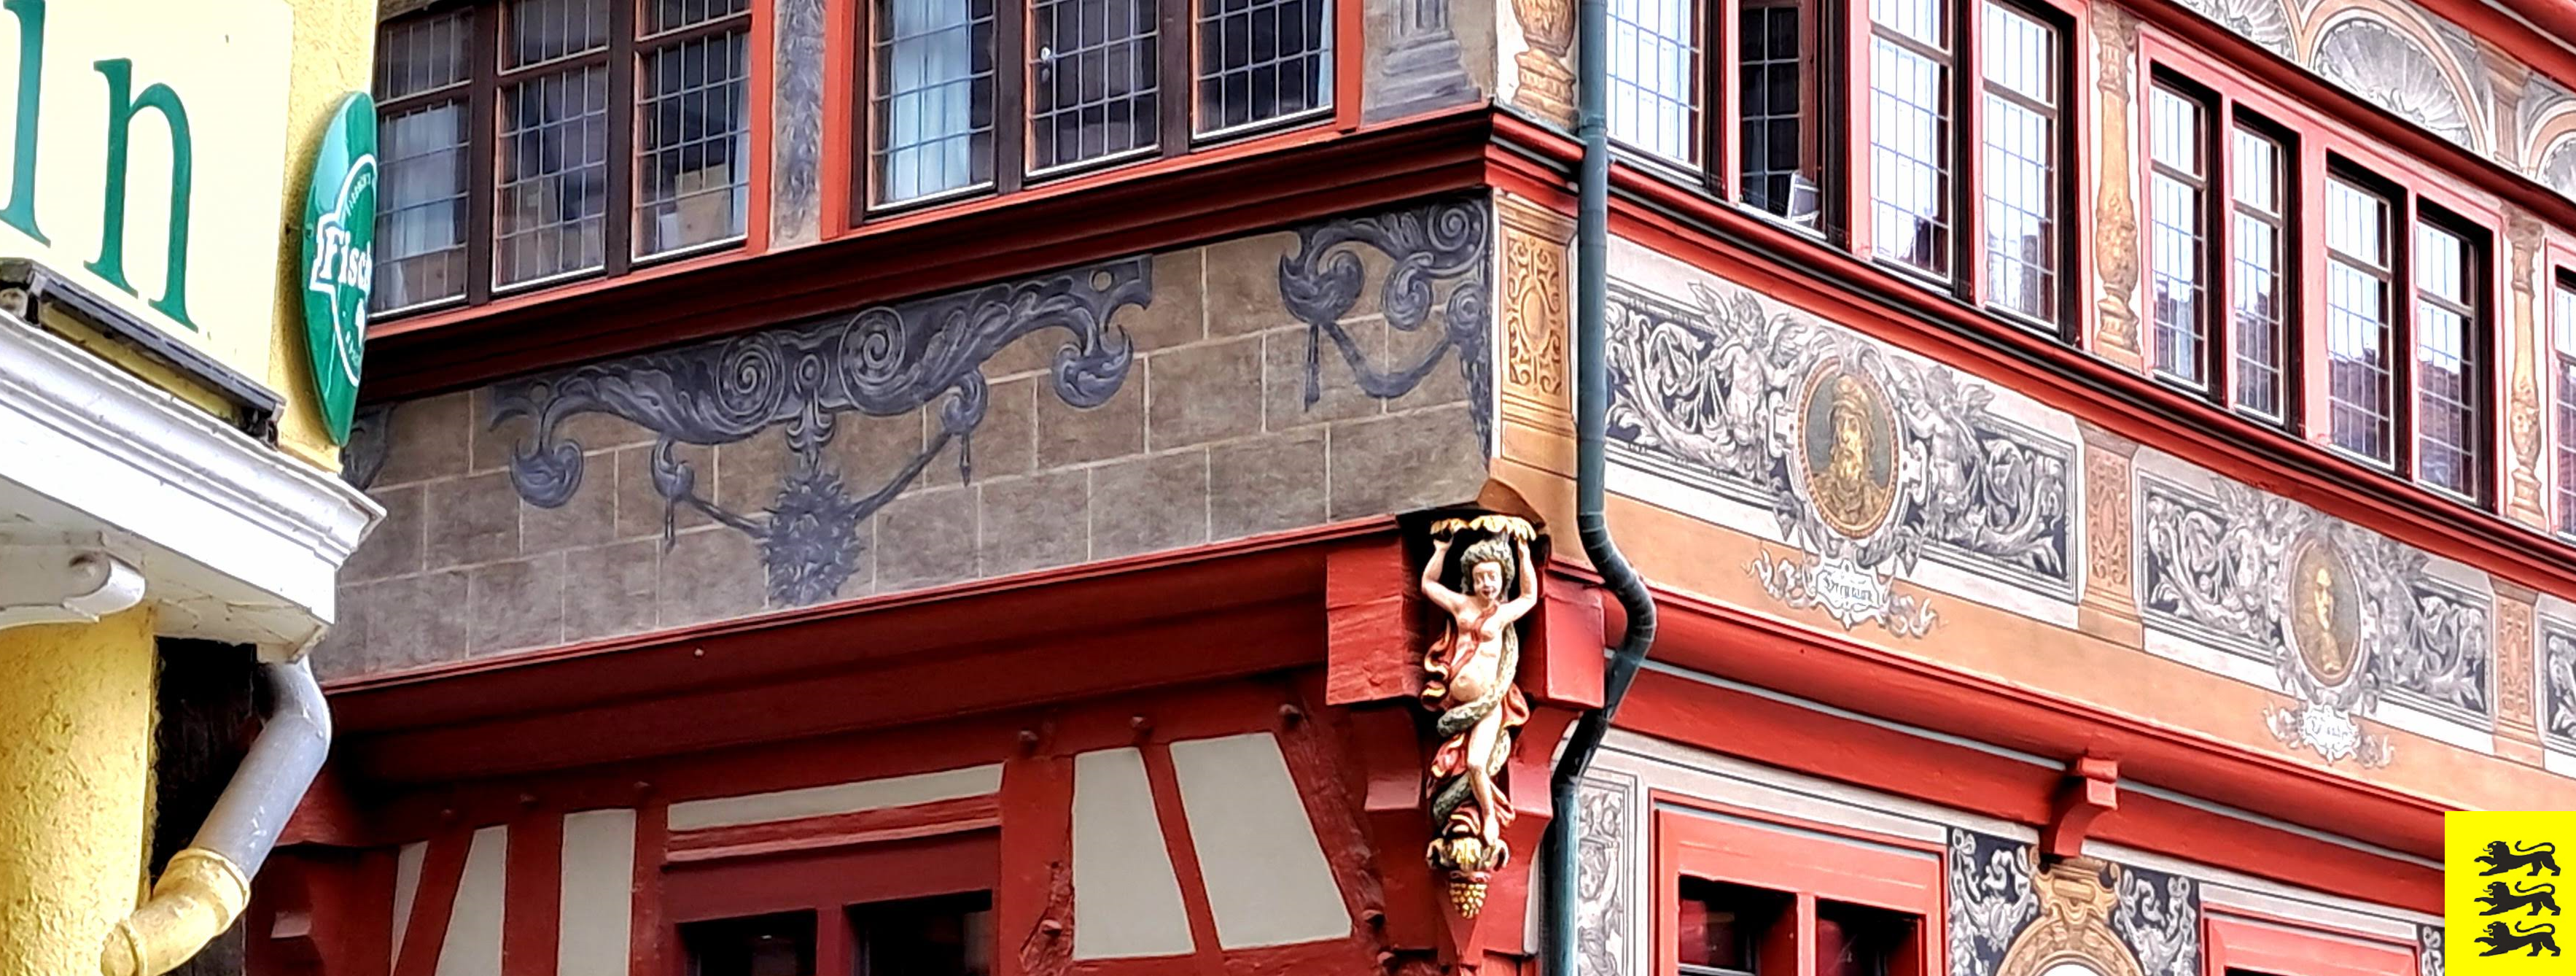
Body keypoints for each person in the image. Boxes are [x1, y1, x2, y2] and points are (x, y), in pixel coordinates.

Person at [1419, 518, 1539, 913]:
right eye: (1480, 577)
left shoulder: (1501, 616)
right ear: (1470, 579)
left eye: (1493, 577)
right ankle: (1462, 812)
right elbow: (1428, 585)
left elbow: (1529, 597)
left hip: (1488, 705)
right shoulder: (1462, 606)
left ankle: (1487, 816)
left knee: (1475, 763)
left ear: (1502, 580)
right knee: (1458, 765)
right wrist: (1441, 551)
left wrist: (1523, 553)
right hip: (1456, 706)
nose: (1487, 584)